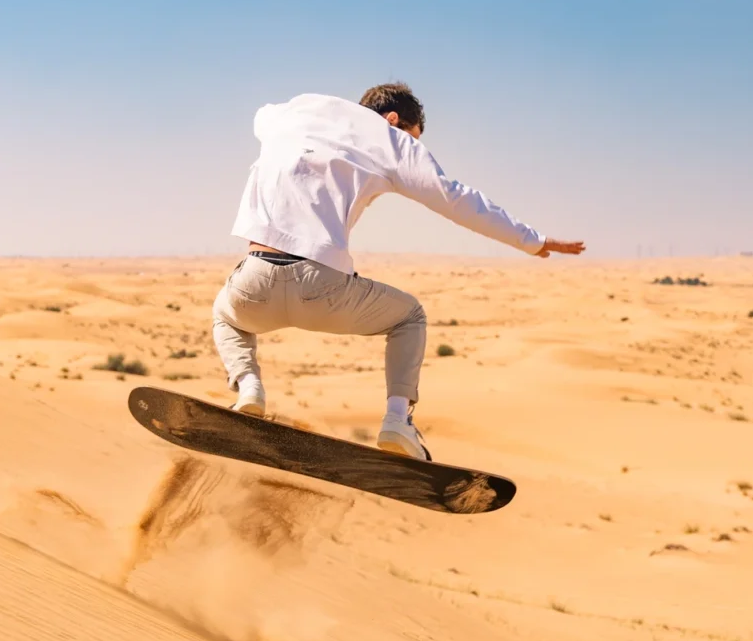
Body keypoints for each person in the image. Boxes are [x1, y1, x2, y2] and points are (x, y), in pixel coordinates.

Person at [212, 83, 585, 461]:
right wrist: (532, 240)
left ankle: (249, 390)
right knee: (409, 316)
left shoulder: (290, 112)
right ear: (393, 120)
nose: (415, 145)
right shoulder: (392, 140)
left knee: (225, 316)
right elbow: (458, 199)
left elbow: (261, 114)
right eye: (414, 136)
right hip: (322, 286)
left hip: (253, 282)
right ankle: (397, 421)